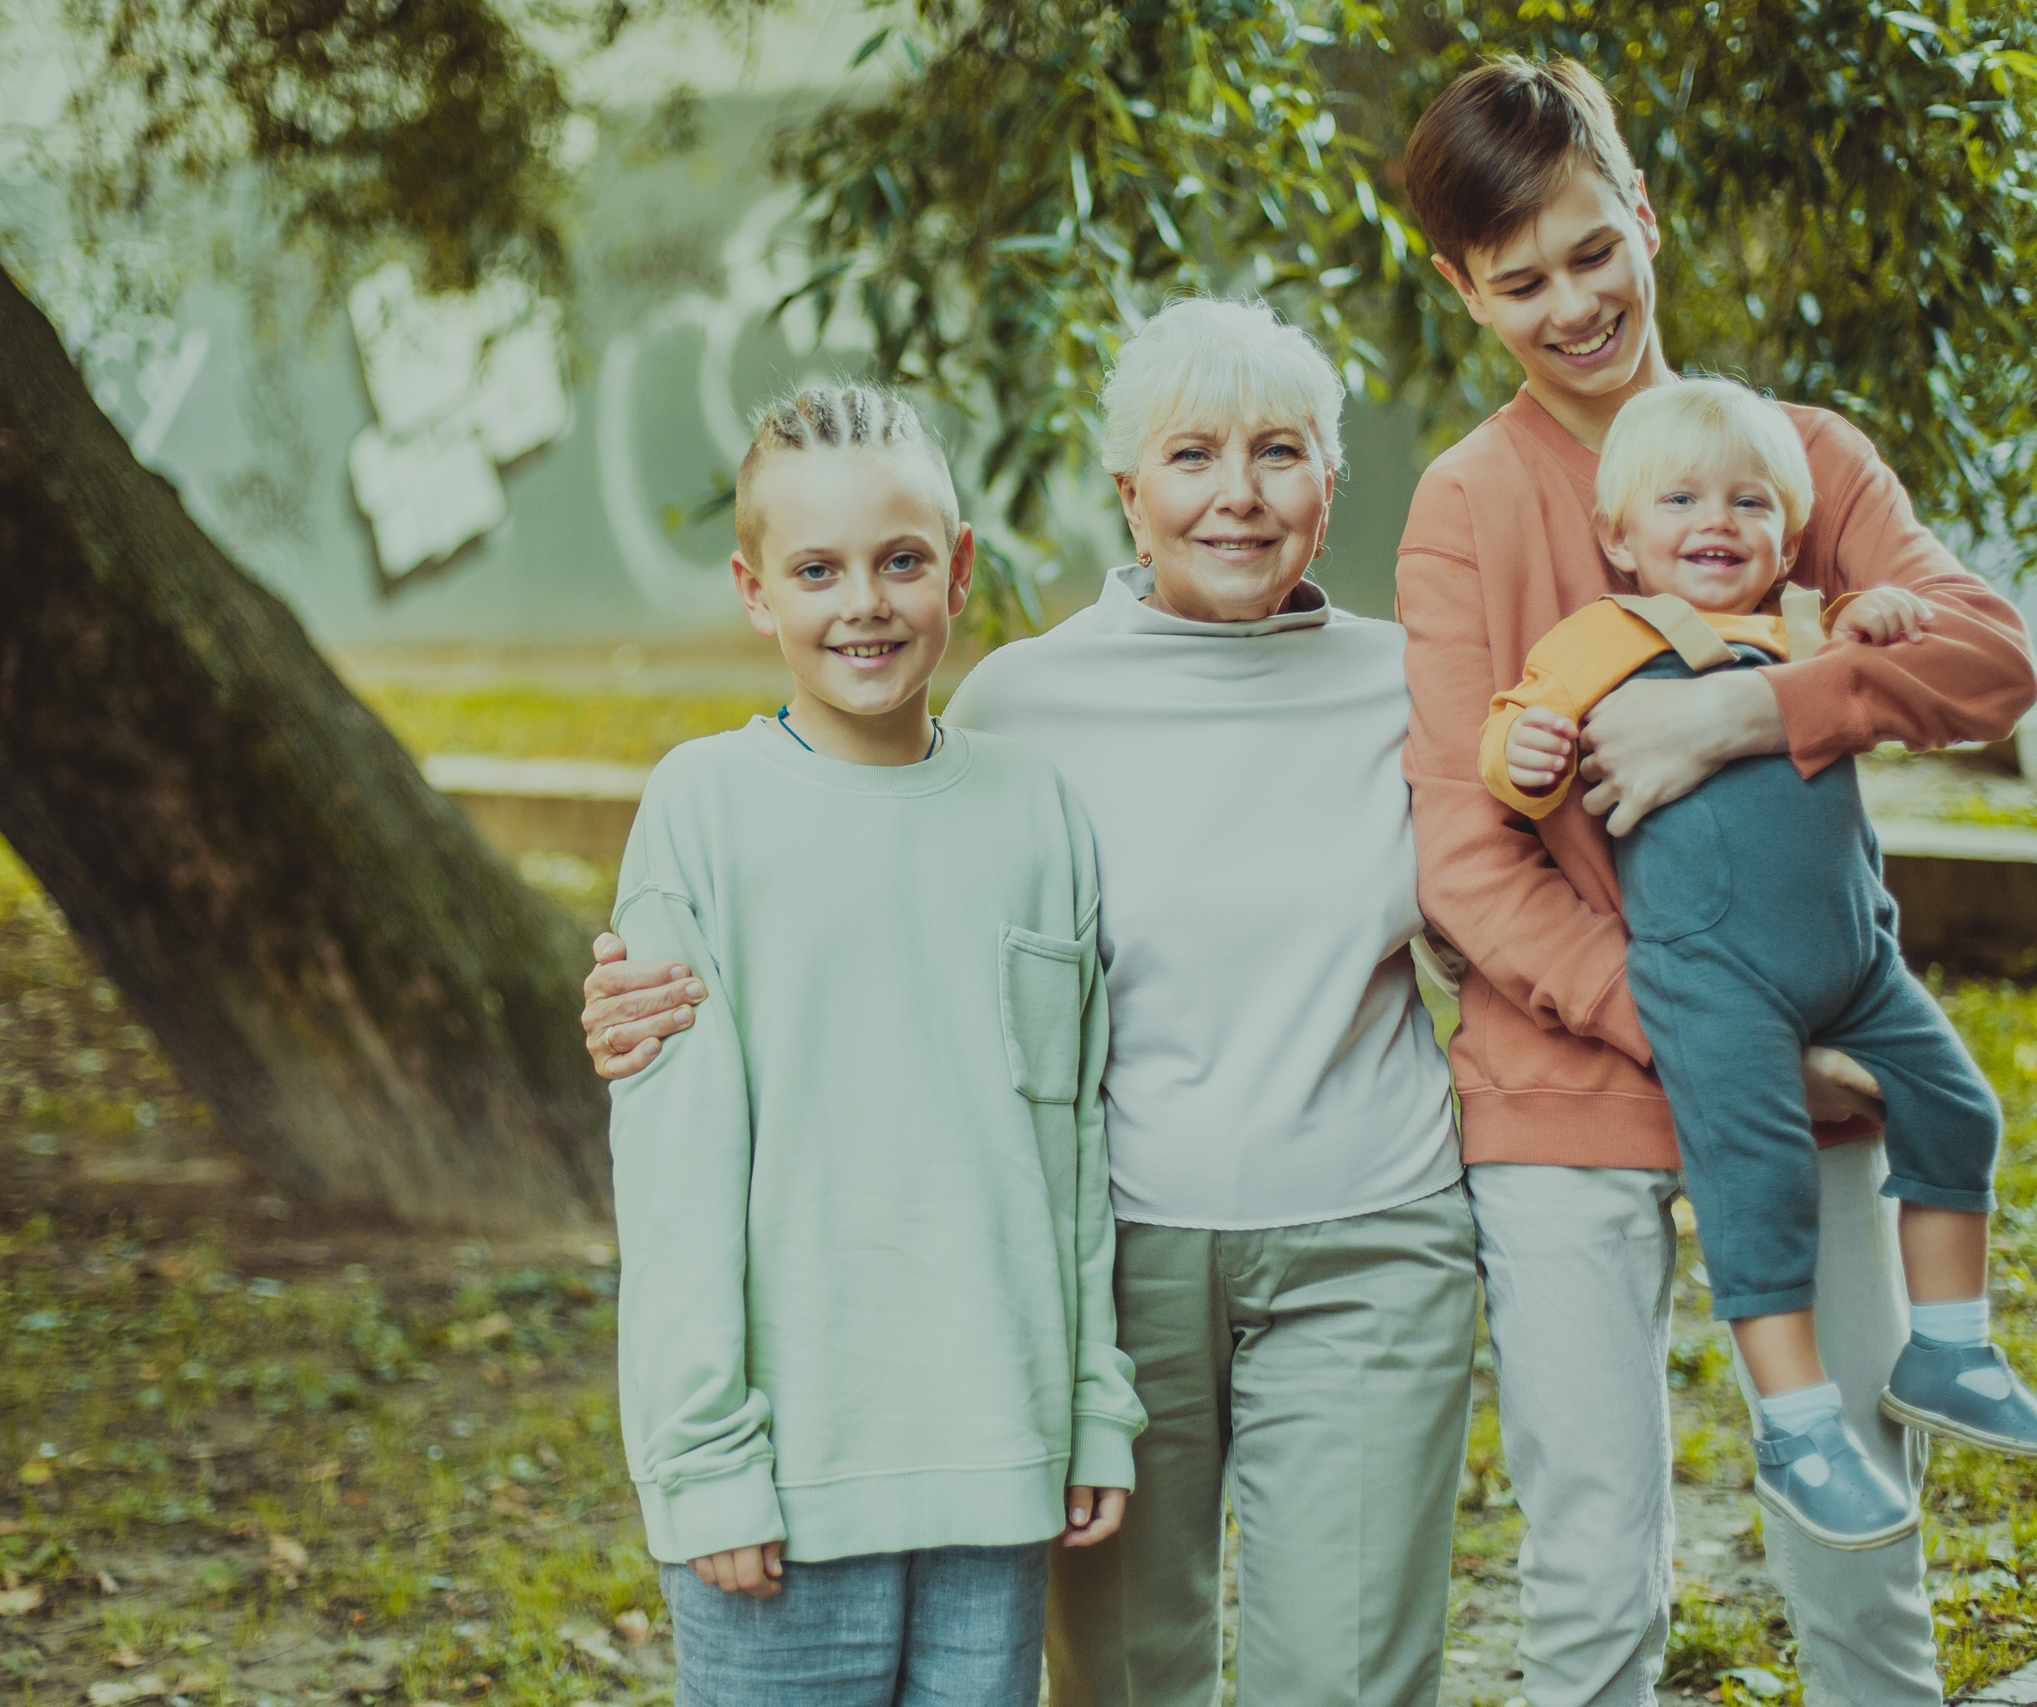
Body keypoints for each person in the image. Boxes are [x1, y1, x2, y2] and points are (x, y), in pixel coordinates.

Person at [588, 296, 1478, 1707]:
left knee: (1353, 1674)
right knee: (1123, 1676)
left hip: (1355, 1226)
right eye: (1192, 455)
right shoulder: (1019, 714)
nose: (1237, 493)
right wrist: (635, 1003)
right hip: (1122, 1252)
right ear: (1130, 496)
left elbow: (1523, 915)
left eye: (1280, 453)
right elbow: (833, 953)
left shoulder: (1415, 689)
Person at [1395, 58, 2037, 1707]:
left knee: (1862, 1550)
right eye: (1520, 280)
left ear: (1645, 219)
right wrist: (1699, 1036)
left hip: (1820, 1076)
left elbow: (1986, 664)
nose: (1572, 305)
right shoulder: (1467, 502)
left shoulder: (1788, 457)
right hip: (1568, 1087)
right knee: (1598, 1571)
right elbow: (1468, 858)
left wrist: (1746, 708)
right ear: (1463, 289)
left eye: (1593, 252)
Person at [606, 382, 1142, 1707]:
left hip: (998, 1462)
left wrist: (1091, 1404)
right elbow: (674, 1177)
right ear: (754, 589)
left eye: (903, 561)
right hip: (787, 1484)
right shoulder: (702, 809)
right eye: (818, 568)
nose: (867, 603)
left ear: (957, 569)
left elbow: (1067, 1140)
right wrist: (703, 1458)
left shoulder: (1036, 810)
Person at [1482, 377, 2037, 1550]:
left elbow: (1935, 669)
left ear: (1788, 532)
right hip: (1718, 982)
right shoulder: (1603, 637)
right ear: (1619, 536)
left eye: (1750, 501)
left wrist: (1886, 619)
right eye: (1681, 498)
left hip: (1855, 962)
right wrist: (1528, 745)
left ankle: (1950, 1346)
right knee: (1759, 1187)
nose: (1717, 519)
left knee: (1960, 1112)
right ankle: (1797, 1425)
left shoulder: (1810, 626)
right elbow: (1511, 744)